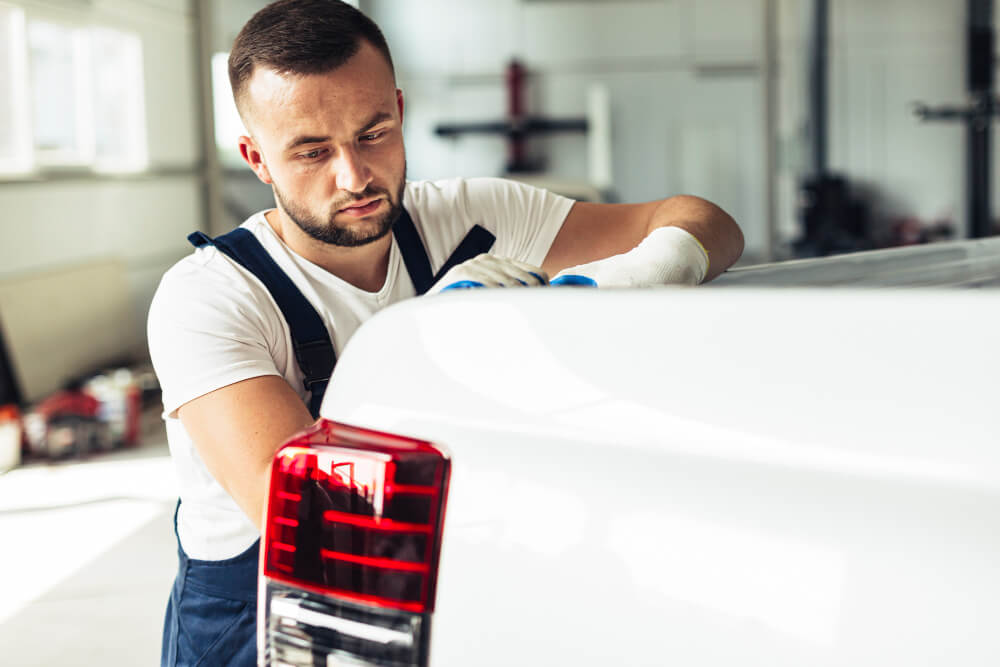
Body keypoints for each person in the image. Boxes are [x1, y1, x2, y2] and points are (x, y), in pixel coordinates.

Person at [148, 1, 744, 665]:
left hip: (445, 587)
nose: (354, 176)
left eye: (373, 133)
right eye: (312, 152)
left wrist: (610, 286)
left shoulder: (470, 218)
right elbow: (309, 521)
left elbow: (706, 221)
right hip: (259, 624)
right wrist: (429, 340)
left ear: (399, 108)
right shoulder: (207, 299)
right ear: (257, 158)